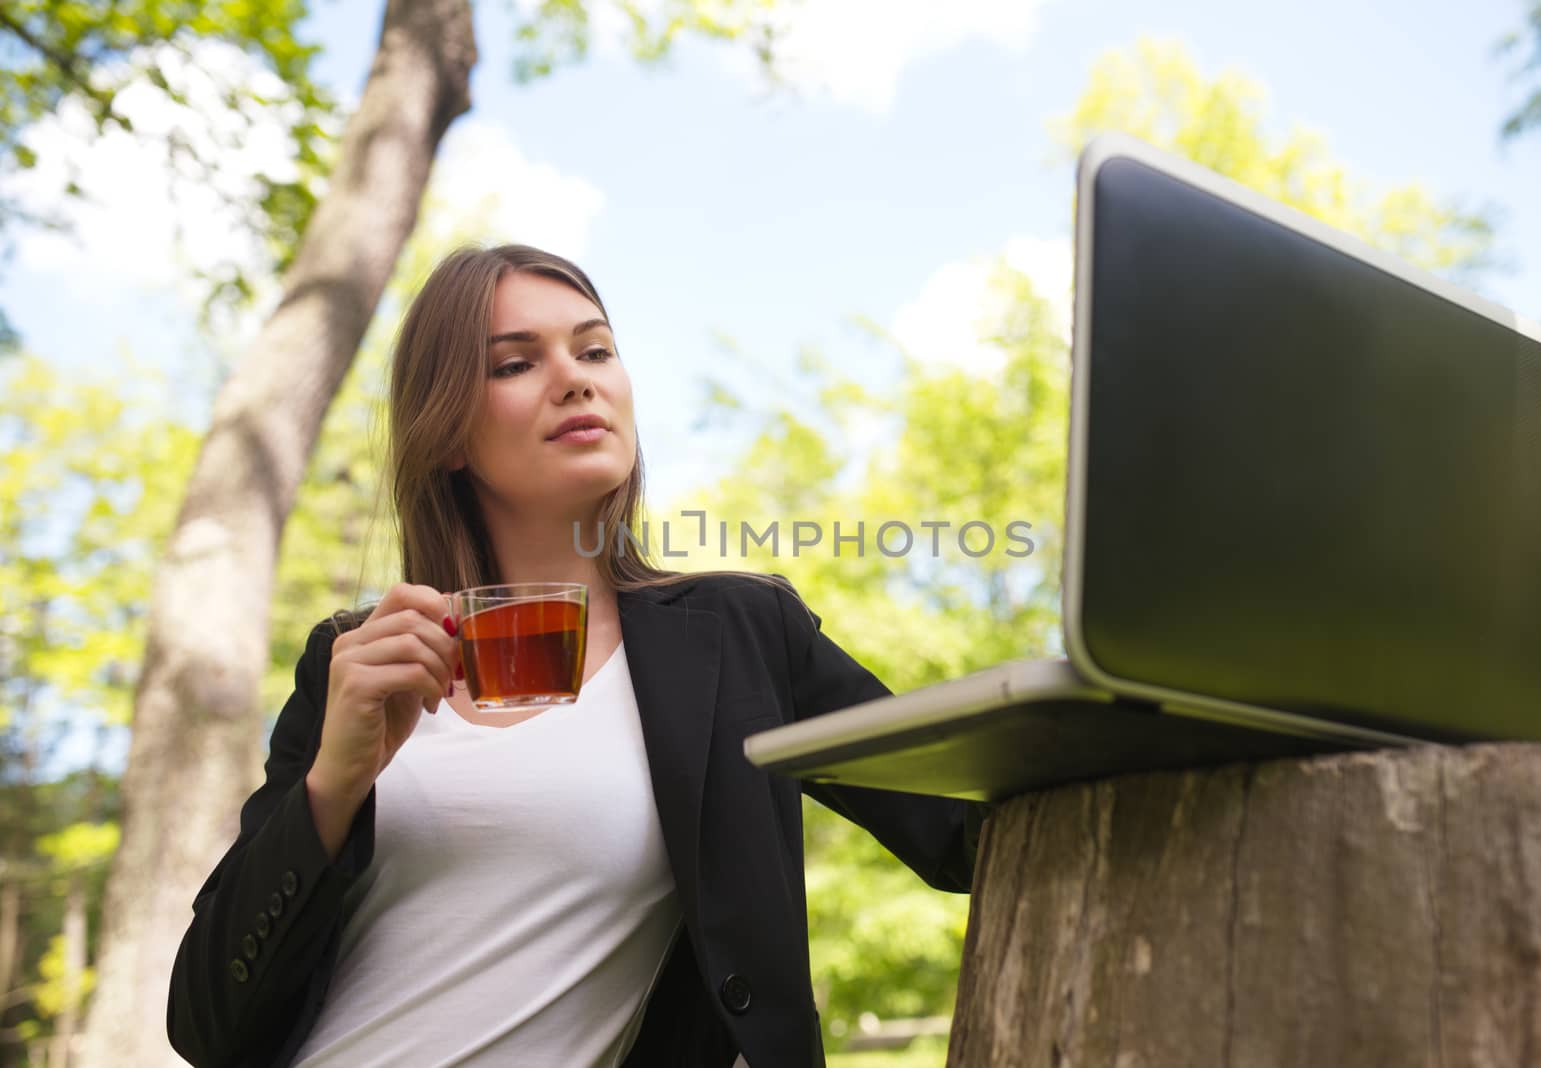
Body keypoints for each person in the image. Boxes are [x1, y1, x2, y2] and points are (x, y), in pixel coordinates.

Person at [166, 244, 989, 1068]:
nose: (575, 377)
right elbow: (204, 1028)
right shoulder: (355, 664)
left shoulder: (740, 639)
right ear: (447, 431)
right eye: (517, 363)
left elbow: (964, 828)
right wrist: (333, 785)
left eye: (595, 350)